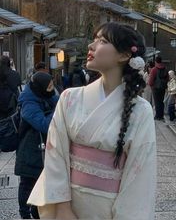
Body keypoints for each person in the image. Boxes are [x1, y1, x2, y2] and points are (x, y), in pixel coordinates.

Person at [28, 22, 157, 219]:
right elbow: (56, 154)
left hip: (109, 210)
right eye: (95, 39)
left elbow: (139, 177)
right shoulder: (69, 98)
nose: (91, 46)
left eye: (103, 41)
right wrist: (62, 208)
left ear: (124, 55)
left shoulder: (141, 110)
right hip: (68, 205)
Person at [14, 72, 59, 219]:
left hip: (43, 148)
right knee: (27, 182)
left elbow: (60, 102)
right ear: (40, 87)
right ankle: (25, 213)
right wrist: (59, 111)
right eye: (50, 86)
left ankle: (36, 210)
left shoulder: (46, 95)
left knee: (41, 181)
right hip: (29, 148)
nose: (53, 89)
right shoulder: (28, 103)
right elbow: (44, 124)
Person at [149, 56, 168, 120]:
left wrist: (151, 85)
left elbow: (150, 81)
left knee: (157, 102)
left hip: (155, 88)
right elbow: (167, 78)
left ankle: (157, 116)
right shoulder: (165, 68)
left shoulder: (154, 69)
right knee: (161, 101)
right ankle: (161, 115)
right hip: (162, 87)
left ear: (155, 61)